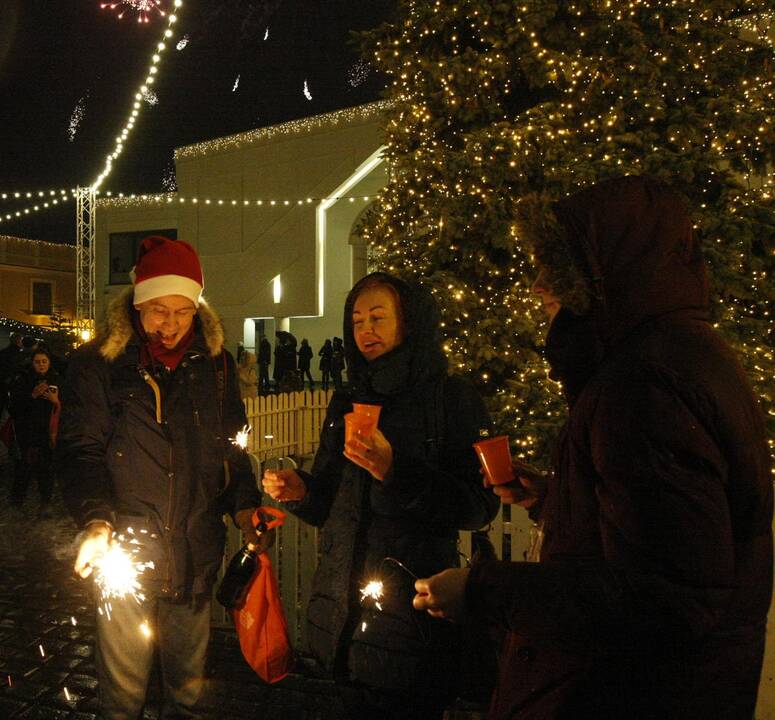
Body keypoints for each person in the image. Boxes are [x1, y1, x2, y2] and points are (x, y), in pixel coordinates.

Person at [413, 176, 773, 719]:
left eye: (555, 267)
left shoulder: (643, 384)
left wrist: (484, 590)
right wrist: (557, 499)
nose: (538, 285)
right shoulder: (682, 355)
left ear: (600, 274)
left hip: (624, 694)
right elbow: (662, 529)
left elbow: (664, 598)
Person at [264, 272, 499, 719]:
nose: (365, 330)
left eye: (378, 317)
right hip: (343, 619)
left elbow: (478, 506)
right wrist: (302, 491)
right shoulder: (347, 400)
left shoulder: (450, 399)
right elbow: (331, 504)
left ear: (408, 323)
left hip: (412, 625)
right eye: (356, 320)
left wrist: (397, 471)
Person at [60, 235, 261, 719]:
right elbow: (81, 450)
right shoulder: (99, 363)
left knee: (188, 698)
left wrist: (245, 503)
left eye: (182, 311)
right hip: (126, 554)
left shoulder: (216, 365)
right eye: (157, 310)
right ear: (136, 302)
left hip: (194, 551)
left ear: (196, 308)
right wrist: (97, 521)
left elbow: (232, 445)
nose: (169, 325)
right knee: (122, 701)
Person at [8, 348, 61, 516]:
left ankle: (46, 502)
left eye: (44, 361)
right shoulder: (23, 380)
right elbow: (14, 407)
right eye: (37, 362)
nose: (41, 365)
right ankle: (17, 502)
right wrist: (31, 396)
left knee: (46, 468)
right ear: (32, 363)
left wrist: (56, 401)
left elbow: (67, 404)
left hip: (48, 431)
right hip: (28, 431)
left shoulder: (57, 379)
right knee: (24, 467)